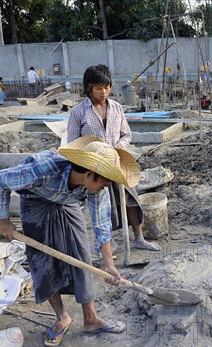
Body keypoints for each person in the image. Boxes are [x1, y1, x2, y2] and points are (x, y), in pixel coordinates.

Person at [0, 136, 136, 346]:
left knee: (82, 255)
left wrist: (108, 264)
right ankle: (62, 317)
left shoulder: (95, 186)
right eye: (104, 182)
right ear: (89, 174)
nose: (105, 187)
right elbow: (0, 180)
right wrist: (3, 220)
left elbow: (101, 223)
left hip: (68, 202)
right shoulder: (43, 169)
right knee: (43, 261)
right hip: (36, 202)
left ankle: (91, 319)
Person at [67, 64, 160, 252]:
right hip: (95, 166)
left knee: (131, 199)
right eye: (99, 88)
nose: (104, 92)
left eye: (107, 87)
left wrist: (119, 146)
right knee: (103, 206)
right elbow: (72, 142)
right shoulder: (79, 112)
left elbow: (127, 135)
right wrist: (90, 157)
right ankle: (109, 243)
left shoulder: (116, 108)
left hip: (118, 161)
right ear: (89, 89)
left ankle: (139, 238)